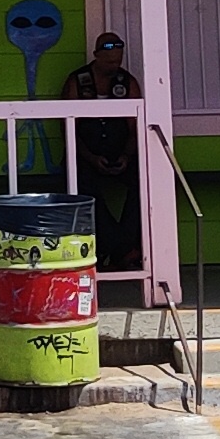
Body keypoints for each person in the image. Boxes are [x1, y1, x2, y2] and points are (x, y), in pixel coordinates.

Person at [65, 29, 146, 277]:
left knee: (145, 182)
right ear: (96, 55)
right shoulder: (77, 81)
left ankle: (121, 245)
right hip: (86, 156)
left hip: (120, 153)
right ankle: (121, 247)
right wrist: (90, 157)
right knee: (81, 186)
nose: (114, 66)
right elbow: (68, 128)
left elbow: (135, 127)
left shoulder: (128, 82)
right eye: (110, 62)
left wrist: (126, 156)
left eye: (118, 61)